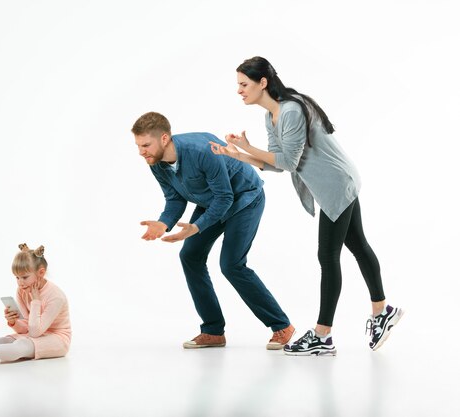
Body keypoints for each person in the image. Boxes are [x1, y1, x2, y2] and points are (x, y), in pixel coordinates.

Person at [210, 56, 403, 355]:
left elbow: (288, 161)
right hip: (337, 182)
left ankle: (323, 336)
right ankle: (383, 311)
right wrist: (238, 156)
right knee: (357, 243)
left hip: (336, 183)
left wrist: (248, 148)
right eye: (238, 85)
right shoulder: (271, 116)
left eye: (244, 84)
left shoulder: (289, 110)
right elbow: (279, 164)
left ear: (263, 83)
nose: (239, 90)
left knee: (328, 256)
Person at [132, 111, 295, 350]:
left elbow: (226, 197)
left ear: (164, 138)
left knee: (231, 264)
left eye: (145, 145)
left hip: (244, 199)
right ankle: (213, 331)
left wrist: (196, 227)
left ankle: (281, 326)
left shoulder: (201, 151)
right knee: (190, 256)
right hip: (212, 202)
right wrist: (163, 223)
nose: (141, 151)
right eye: (138, 146)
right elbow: (175, 199)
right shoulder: (156, 163)